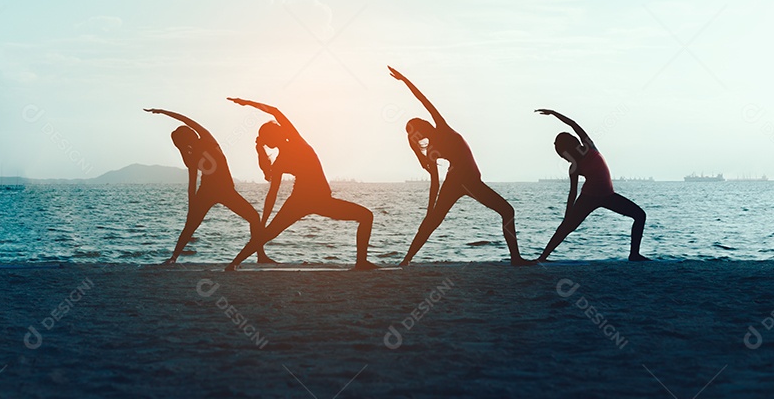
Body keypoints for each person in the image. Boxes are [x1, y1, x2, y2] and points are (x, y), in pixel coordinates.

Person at [390, 67, 534, 266]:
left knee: (433, 222)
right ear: (423, 128)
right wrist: (405, 80)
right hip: (465, 181)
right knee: (507, 212)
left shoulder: (436, 140)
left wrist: (405, 80)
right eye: (422, 123)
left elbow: (423, 100)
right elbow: (434, 182)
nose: (425, 120)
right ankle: (516, 259)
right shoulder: (441, 130)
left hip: (458, 181)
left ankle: (406, 261)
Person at [225, 98, 377, 271]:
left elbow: (272, 194)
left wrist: (265, 221)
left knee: (268, 234)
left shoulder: (280, 161)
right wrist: (246, 103)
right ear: (279, 134)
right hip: (316, 201)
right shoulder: (296, 142)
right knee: (366, 216)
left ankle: (234, 264)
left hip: (302, 201)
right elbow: (275, 110)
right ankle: (361, 262)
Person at [143, 108, 275, 265]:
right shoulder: (206, 141)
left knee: (251, 217)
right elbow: (192, 182)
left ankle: (173, 258)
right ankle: (260, 256)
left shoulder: (195, 149)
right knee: (251, 217)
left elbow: (192, 184)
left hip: (215, 191)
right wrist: (192, 208)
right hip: (217, 191)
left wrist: (162, 111)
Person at [534, 108, 649, 261]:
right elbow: (572, 192)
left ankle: (634, 254)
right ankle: (542, 258)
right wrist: (568, 215)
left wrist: (554, 113)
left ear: (571, 148)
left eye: (564, 155)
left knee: (640, 215)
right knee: (566, 228)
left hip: (608, 196)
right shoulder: (574, 167)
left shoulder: (589, 146)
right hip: (589, 198)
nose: (566, 159)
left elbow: (573, 124)